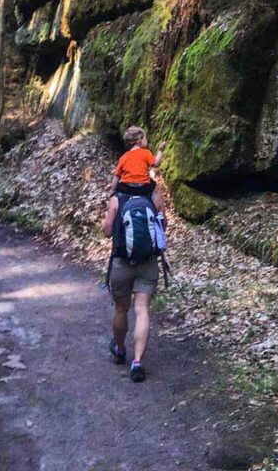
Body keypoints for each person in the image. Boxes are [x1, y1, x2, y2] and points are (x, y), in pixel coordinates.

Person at [102, 179, 167, 382]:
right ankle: (137, 362)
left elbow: (107, 230)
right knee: (142, 309)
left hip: (122, 263)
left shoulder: (116, 200)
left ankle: (120, 349)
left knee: (121, 309)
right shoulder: (155, 197)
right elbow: (163, 226)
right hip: (148, 263)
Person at [108, 125, 167, 201]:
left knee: (115, 202)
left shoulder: (123, 157)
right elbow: (156, 164)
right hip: (143, 188)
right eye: (145, 138)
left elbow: (116, 176)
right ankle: (160, 213)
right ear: (140, 140)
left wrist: (113, 191)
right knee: (157, 194)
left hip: (127, 189)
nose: (147, 140)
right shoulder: (146, 153)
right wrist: (160, 151)